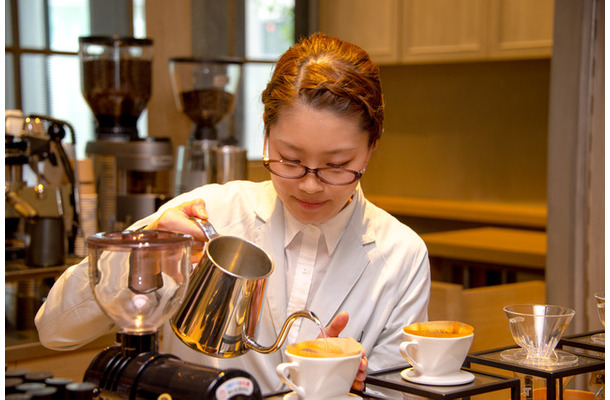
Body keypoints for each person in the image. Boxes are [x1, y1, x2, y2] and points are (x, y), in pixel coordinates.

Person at [35, 32, 430, 395]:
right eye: (290, 159)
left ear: (372, 146)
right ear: (265, 133)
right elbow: (54, 329)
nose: (310, 185)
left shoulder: (401, 255)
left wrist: (344, 386)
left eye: (337, 164)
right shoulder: (205, 215)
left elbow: (396, 391)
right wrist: (142, 258)